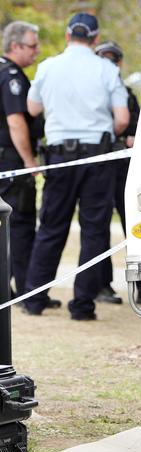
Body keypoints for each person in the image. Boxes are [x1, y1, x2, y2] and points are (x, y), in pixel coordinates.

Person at [23, 13, 129, 320]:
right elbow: (122, 119)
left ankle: (35, 298)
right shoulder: (107, 69)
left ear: (68, 36)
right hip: (97, 155)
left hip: (58, 157)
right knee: (94, 230)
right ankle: (83, 305)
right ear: (96, 39)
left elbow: (33, 108)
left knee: (52, 226)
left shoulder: (47, 67)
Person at [0, 21, 61, 309]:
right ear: (15, 46)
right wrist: (28, 161)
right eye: (32, 46)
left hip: (6, 160)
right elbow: (15, 121)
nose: (36, 51)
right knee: (20, 225)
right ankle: (24, 292)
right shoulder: (11, 76)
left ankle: (19, 290)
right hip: (11, 160)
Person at [94, 40, 141, 305]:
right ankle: (100, 285)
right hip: (99, 167)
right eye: (103, 59)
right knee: (97, 227)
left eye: (113, 60)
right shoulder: (91, 94)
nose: (109, 65)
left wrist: (130, 137)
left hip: (126, 169)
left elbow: (140, 127)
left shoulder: (126, 94)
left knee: (135, 226)